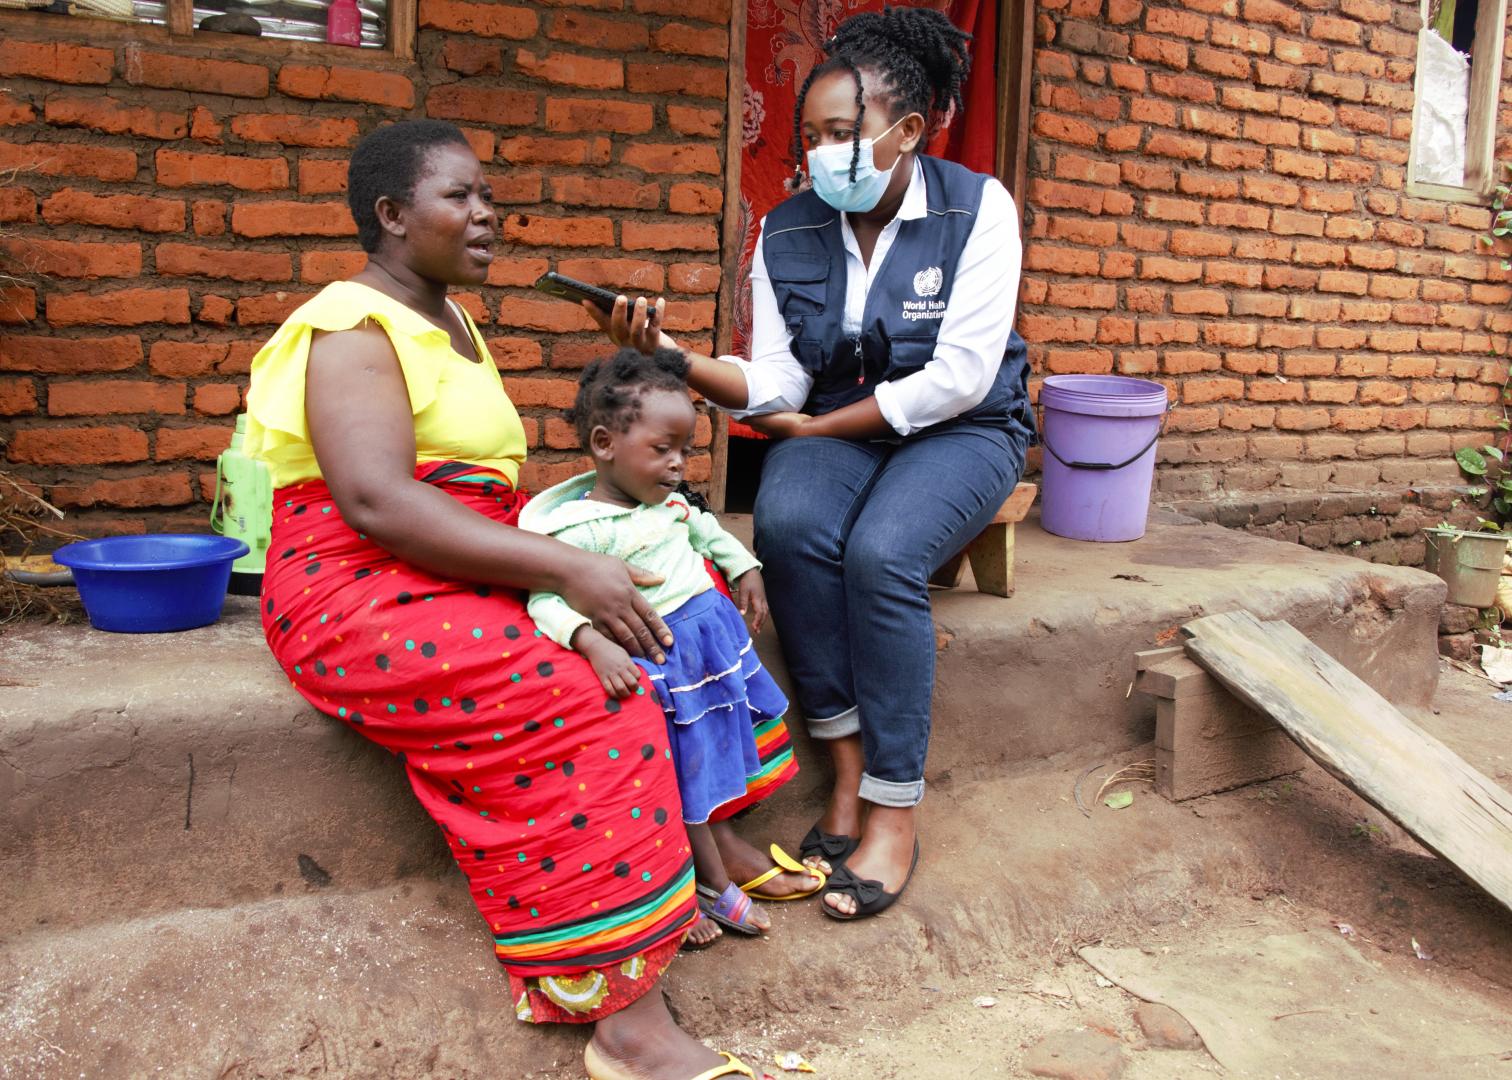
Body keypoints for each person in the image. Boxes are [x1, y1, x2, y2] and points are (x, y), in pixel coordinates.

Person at [243, 119, 759, 1080]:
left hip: (447, 561)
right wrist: (559, 571)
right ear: (393, 215)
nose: (488, 214)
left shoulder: (451, 320)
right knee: (586, 694)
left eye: (489, 196)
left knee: (661, 634)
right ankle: (623, 1019)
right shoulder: (349, 325)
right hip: (356, 579)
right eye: (461, 197)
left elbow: (471, 489)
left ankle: (682, 894)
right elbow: (375, 500)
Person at [591, 8, 1033, 922]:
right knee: (789, 527)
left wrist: (814, 433)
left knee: (883, 552)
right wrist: (673, 355)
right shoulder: (786, 228)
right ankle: (845, 768)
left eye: (844, 134)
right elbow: (778, 376)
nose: (823, 154)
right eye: (813, 137)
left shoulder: (978, 208)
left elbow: (957, 378)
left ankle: (895, 807)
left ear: (906, 132)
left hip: (963, 428)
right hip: (833, 420)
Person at [519, 347, 823, 948]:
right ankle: (701, 882)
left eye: (685, 450)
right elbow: (543, 601)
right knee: (680, 781)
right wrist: (589, 642)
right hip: (664, 670)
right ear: (605, 444)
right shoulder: (578, 531)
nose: (679, 464)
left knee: (709, 769)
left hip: (709, 656)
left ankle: (709, 870)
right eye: (664, 450)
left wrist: (745, 567)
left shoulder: (665, 501)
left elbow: (702, 527)